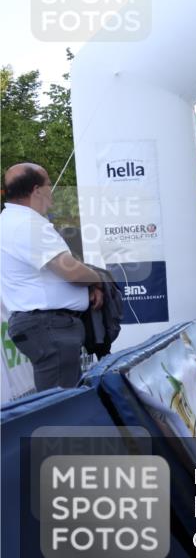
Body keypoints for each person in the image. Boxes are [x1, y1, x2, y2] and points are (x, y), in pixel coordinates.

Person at [1, 163, 104, 391]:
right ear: (37, 190)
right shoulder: (27, 224)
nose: (52, 191)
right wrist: (98, 278)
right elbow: (72, 272)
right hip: (49, 326)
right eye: (49, 185)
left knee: (60, 400)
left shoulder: (12, 221)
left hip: (44, 325)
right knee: (60, 406)